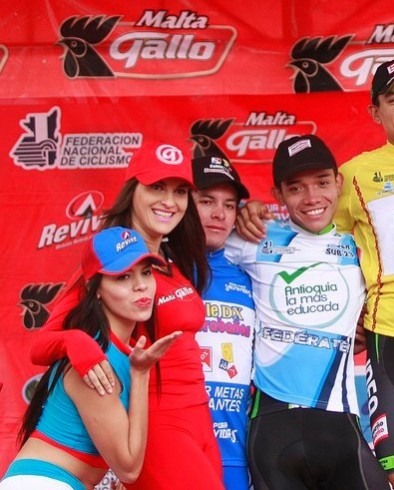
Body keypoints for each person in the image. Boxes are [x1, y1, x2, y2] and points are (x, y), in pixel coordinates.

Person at [235, 59, 394, 490]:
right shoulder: (354, 175)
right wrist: (246, 212)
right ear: (375, 112)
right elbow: (316, 233)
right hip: (393, 339)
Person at [30, 142, 224, 490]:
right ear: (132, 190)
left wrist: (254, 210)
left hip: (199, 420)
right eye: (157, 187)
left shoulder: (173, 258)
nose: (170, 201)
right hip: (159, 423)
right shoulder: (110, 260)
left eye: (180, 192)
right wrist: (76, 342)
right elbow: (40, 346)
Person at [225, 134, 389, 489]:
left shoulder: (361, 243)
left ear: (338, 183)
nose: (312, 197)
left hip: (339, 421)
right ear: (278, 195)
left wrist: (369, 327)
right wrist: (241, 212)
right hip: (273, 426)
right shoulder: (254, 238)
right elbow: (192, 241)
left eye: (322, 182)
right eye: (296, 188)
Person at [1, 227, 180, 490]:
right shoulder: (95, 360)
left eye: (146, 272)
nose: (141, 285)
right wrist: (141, 374)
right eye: (123, 277)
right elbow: (129, 468)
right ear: (95, 289)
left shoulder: (120, 350)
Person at [192, 156, 256, 490]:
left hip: (234, 451)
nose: (219, 214)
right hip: (170, 447)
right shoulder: (154, 270)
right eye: (207, 202)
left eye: (229, 205)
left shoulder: (250, 274)